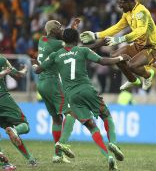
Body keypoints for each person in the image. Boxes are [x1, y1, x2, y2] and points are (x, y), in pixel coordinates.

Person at [32, 28, 129, 170]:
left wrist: (35, 64)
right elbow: (103, 61)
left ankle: (108, 157)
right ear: (77, 39)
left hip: (71, 96)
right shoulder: (82, 51)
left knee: (91, 126)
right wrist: (120, 58)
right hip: (86, 89)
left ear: (63, 40)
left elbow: (37, 70)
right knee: (106, 116)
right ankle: (113, 143)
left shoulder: (55, 55)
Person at [80, 0, 156, 91]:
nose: (119, 6)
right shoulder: (127, 13)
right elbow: (117, 27)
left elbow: (140, 31)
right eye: (118, 3)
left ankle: (148, 75)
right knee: (115, 56)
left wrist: (119, 39)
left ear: (129, 2)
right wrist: (96, 35)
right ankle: (132, 80)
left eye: (121, 3)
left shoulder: (141, 12)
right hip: (138, 45)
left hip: (153, 48)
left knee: (132, 65)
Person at [36, 19, 80, 163]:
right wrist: (73, 32)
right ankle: (61, 146)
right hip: (52, 82)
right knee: (71, 112)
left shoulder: (42, 40)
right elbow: (72, 46)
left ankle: (57, 155)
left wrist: (70, 28)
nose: (62, 30)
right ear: (54, 31)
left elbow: (62, 38)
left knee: (57, 118)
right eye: (60, 28)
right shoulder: (56, 44)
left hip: (41, 83)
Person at [0, 57, 37, 166]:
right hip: (2, 99)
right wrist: (25, 69)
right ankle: (15, 130)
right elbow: (18, 75)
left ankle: (30, 160)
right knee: (23, 125)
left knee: (9, 130)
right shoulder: (1, 60)